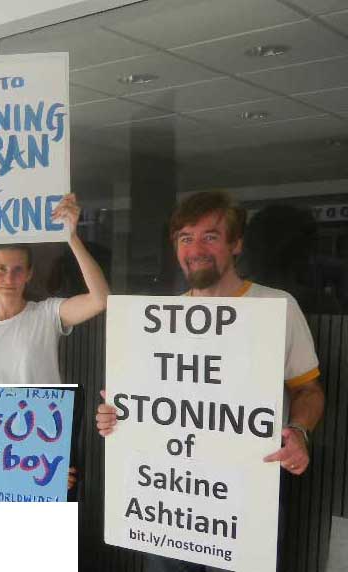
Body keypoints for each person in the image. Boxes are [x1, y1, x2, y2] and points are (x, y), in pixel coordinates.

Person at [95, 190, 325, 571]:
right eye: (186, 238)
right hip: (166, 496)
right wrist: (116, 417)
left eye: (210, 236)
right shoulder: (158, 319)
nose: (196, 248)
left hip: (246, 495)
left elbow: (309, 389)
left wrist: (299, 431)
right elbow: (148, 405)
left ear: (236, 244)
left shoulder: (277, 307)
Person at [0, 193, 109, 385]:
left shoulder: (47, 314)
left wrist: (71, 238)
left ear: (29, 273)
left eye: (18, 269)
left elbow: (100, 300)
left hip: (43, 416)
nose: (9, 278)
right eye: (1, 269)